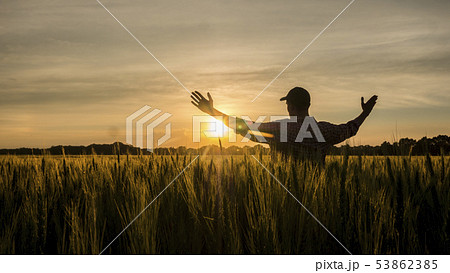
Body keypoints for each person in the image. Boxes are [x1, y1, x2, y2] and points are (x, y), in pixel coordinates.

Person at [191, 87, 377, 162]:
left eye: (287, 104)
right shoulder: (325, 130)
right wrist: (365, 112)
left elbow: (245, 127)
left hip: (283, 201)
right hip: (315, 201)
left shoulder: (281, 129)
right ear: (309, 105)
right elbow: (350, 128)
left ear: (291, 107)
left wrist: (212, 112)